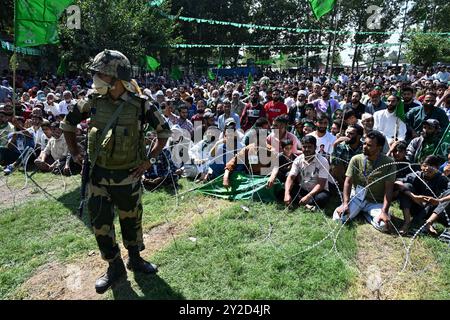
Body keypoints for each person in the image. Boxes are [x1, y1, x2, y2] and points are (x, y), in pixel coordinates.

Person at [61, 50, 172, 294]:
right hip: (98, 176)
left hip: (128, 176)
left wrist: (148, 161)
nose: (96, 78)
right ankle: (114, 266)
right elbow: (68, 124)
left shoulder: (141, 104)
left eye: (100, 73)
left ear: (116, 77)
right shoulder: (92, 100)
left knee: (131, 220)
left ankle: (135, 259)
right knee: (101, 224)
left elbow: (164, 132)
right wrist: (75, 153)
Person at [333, 130, 396, 232]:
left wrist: (384, 211)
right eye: (364, 143)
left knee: (384, 225)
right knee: (338, 218)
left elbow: (389, 190)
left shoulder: (389, 163)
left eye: (369, 145)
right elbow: (348, 182)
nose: (364, 146)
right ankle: (361, 211)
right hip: (357, 197)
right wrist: (345, 204)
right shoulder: (356, 159)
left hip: (375, 202)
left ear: (379, 148)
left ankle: (366, 213)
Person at [395, 155, 450, 235]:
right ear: (421, 166)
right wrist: (414, 197)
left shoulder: (442, 179)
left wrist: (439, 200)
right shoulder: (417, 175)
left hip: (432, 210)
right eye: (425, 165)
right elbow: (397, 182)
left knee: (447, 195)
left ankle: (428, 223)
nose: (427, 168)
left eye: (431, 166)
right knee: (406, 186)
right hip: (416, 206)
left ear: (437, 168)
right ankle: (407, 222)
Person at [284, 135, 330, 210]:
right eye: (304, 147)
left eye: (310, 147)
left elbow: (321, 184)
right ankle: (308, 205)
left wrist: (308, 196)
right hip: (303, 189)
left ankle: (304, 202)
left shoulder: (323, 161)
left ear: (315, 147)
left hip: (317, 191)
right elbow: (291, 177)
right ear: (301, 147)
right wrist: (286, 194)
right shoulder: (298, 160)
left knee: (322, 198)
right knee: (287, 189)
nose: (307, 149)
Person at [331, 124, 364, 188]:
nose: (347, 135)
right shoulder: (341, 146)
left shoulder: (364, 148)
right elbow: (334, 165)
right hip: (343, 179)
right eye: (347, 133)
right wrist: (335, 145)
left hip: (360, 178)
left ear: (359, 136)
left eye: (351, 133)